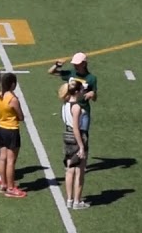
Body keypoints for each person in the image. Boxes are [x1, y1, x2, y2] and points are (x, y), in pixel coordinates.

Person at [0, 72, 25, 197]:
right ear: (12, 84)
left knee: (2, 158)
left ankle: (3, 184)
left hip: (1, 128)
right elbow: (21, 116)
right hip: (12, 130)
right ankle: (11, 188)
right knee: (11, 160)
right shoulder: (13, 99)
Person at [60, 80, 90, 210]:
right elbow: (77, 128)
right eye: (82, 90)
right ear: (77, 92)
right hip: (76, 137)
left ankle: (69, 200)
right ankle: (77, 201)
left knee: (69, 169)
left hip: (67, 136)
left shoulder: (65, 104)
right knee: (79, 171)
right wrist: (81, 146)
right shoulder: (76, 107)